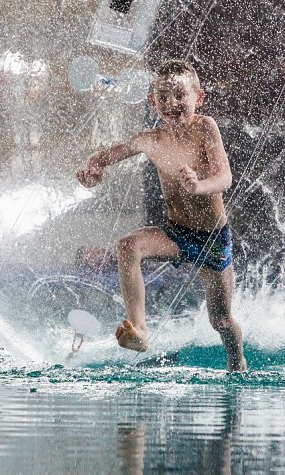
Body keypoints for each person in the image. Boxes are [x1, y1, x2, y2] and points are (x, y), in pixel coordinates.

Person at [76, 60, 247, 371]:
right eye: (164, 97)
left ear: (199, 98)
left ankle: (238, 363)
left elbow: (225, 178)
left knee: (220, 320)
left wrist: (199, 186)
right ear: (153, 103)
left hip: (212, 240)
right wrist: (92, 171)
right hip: (176, 233)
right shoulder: (150, 140)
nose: (172, 103)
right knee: (129, 245)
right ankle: (140, 330)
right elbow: (104, 157)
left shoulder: (206, 127)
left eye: (180, 95)